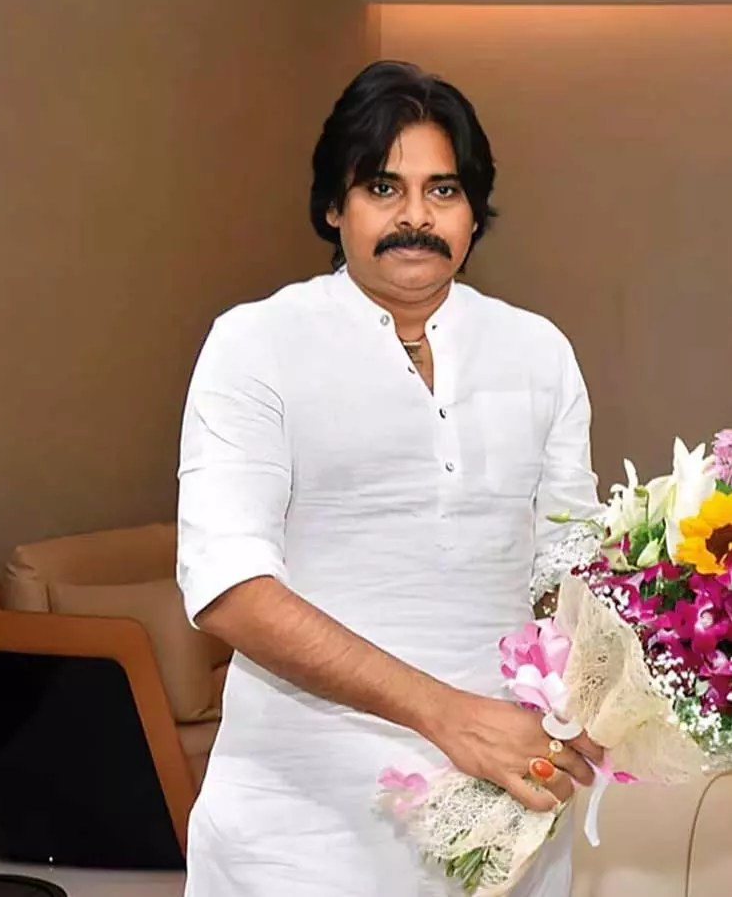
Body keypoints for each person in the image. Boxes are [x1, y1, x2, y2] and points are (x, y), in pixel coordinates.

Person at [176, 60, 602, 896]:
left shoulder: (538, 350)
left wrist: (609, 682)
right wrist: (449, 717)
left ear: (475, 212)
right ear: (334, 207)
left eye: (443, 191)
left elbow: (567, 560)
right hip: (300, 823)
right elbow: (228, 584)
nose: (416, 217)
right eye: (383, 187)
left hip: (504, 806)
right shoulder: (255, 342)